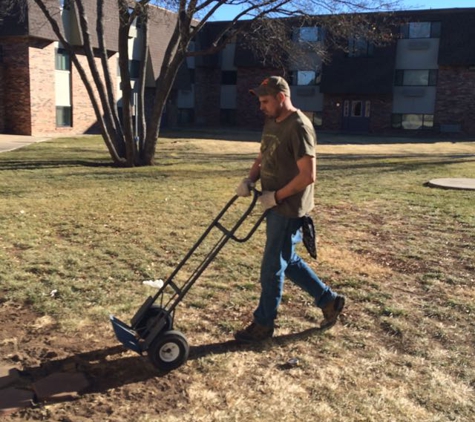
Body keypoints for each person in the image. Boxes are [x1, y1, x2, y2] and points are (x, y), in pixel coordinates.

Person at [234, 76, 345, 343]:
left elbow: (308, 175)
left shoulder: (299, 127)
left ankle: (263, 325)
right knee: (288, 259)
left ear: (281, 98)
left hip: (289, 207)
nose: (261, 106)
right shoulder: (272, 121)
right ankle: (328, 300)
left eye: (265, 101)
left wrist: (276, 197)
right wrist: (250, 179)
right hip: (274, 201)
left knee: (272, 266)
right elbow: (263, 155)